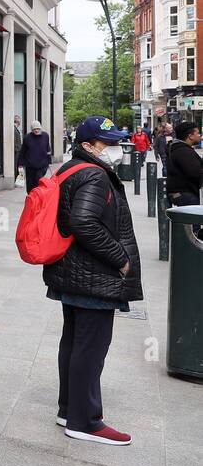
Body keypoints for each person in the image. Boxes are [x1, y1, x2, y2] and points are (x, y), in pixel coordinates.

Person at [43, 116, 142, 446]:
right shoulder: (95, 175)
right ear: (88, 146)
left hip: (72, 272)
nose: (116, 148)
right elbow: (84, 222)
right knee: (91, 346)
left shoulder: (71, 168)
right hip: (94, 276)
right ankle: (84, 421)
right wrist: (121, 258)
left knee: (73, 341)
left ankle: (69, 408)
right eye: (108, 143)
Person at [165, 121, 203, 207]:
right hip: (186, 196)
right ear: (190, 136)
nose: (199, 135)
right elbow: (195, 173)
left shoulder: (180, 149)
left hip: (183, 195)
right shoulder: (183, 151)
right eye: (197, 133)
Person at [18, 120, 52, 192]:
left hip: (42, 165)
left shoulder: (45, 136)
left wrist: (49, 161)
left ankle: (37, 197)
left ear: (40, 128)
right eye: (34, 129)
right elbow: (22, 151)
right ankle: (31, 197)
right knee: (30, 184)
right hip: (30, 165)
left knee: (38, 181)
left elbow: (48, 148)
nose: (36, 131)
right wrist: (20, 164)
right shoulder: (27, 138)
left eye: (38, 129)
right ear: (32, 130)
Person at [13, 115, 24, 186]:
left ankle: (17, 180)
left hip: (17, 150)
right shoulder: (14, 129)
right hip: (16, 151)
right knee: (16, 165)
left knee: (18, 166)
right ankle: (16, 180)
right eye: (19, 120)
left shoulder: (15, 129)